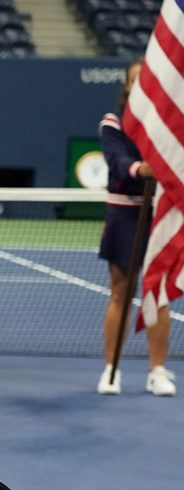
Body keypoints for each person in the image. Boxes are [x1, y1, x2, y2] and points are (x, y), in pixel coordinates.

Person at [96, 60, 174, 397]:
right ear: (128, 87)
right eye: (134, 80)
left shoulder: (172, 125)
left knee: (159, 293)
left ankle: (157, 370)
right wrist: (140, 168)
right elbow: (116, 161)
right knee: (121, 291)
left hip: (162, 213)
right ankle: (111, 370)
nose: (140, 84)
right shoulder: (113, 122)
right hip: (124, 213)